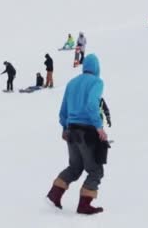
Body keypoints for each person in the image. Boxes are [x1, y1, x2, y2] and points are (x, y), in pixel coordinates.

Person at [46, 54, 109, 215]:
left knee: (75, 167)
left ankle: (54, 194)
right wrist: (99, 127)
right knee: (95, 170)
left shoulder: (72, 83)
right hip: (87, 132)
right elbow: (91, 105)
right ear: (96, 68)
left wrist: (64, 128)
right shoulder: (97, 82)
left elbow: (63, 110)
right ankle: (84, 205)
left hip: (71, 130)